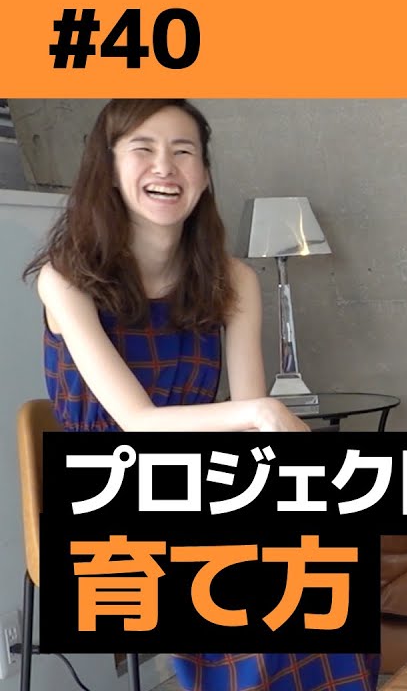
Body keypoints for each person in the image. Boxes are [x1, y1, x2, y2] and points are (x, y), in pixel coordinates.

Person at [24, 99, 379, 690]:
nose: (165, 166)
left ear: (205, 175)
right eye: (143, 149)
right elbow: (138, 422)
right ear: (108, 169)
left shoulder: (232, 279)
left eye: (183, 151)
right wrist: (264, 410)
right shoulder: (67, 276)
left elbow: (249, 433)